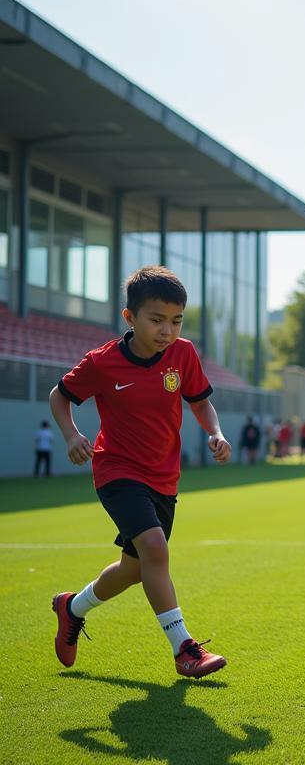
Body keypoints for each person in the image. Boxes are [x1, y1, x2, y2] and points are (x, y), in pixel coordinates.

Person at [48, 265, 231, 678]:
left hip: (164, 477)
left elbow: (200, 402)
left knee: (134, 568)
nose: (167, 330)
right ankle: (184, 649)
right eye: (157, 320)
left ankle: (72, 607)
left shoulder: (183, 353)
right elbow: (59, 397)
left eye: (176, 321)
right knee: (154, 548)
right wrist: (72, 435)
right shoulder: (102, 362)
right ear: (130, 317)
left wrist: (215, 433)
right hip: (116, 469)